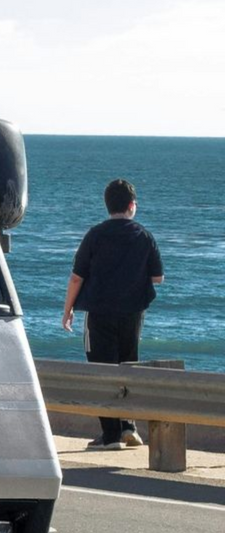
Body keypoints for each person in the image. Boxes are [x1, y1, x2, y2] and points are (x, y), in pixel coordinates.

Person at [62, 177, 164, 450]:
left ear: (107, 205)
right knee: (128, 365)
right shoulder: (144, 235)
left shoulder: (95, 235)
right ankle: (129, 427)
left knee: (101, 370)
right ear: (132, 206)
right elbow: (158, 277)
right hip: (132, 313)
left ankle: (110, 435)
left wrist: (67, 310)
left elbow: (76, 277)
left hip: (99, 312)